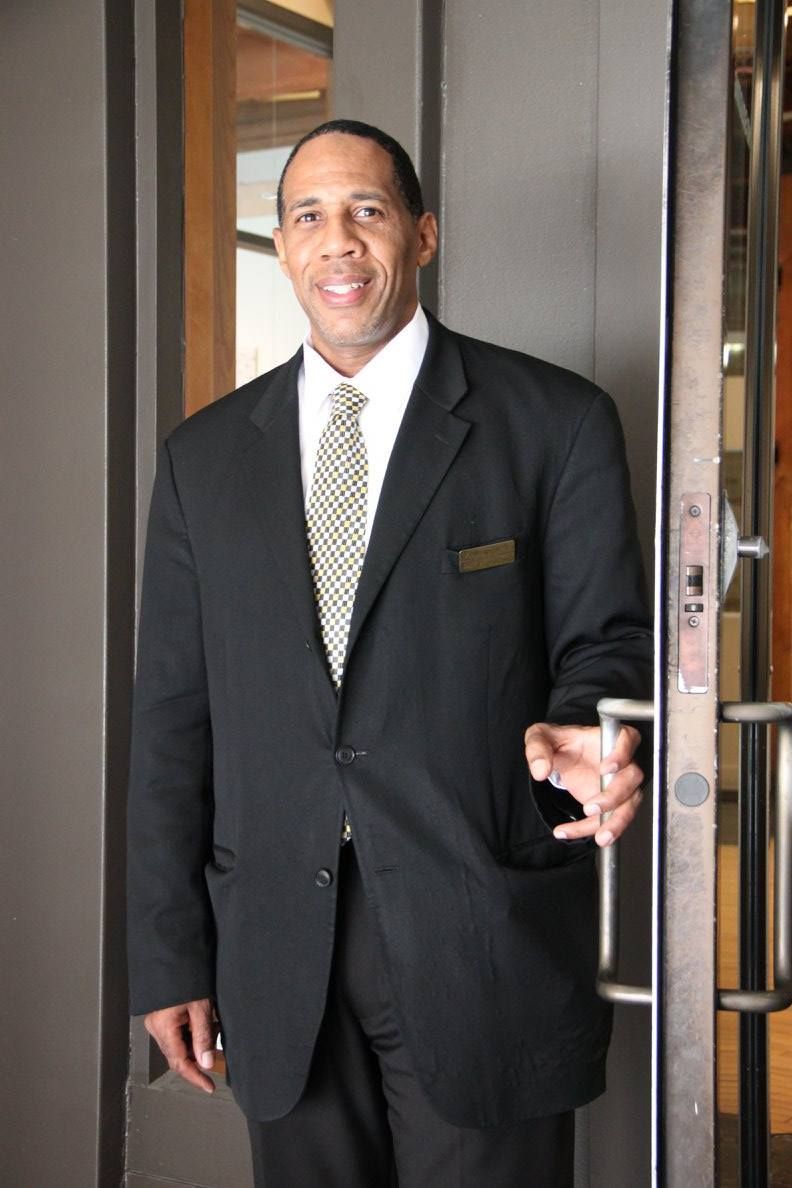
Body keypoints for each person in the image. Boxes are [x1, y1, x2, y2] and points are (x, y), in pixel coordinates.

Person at [127, 119, 652, 1187]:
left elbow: (607, 643)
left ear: (422, 234)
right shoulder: (201, 461)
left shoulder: (555, 421)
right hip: (276, 942)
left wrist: (587, 734)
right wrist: (169, 953)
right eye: (309, 216)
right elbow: (173, 719)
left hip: (483, 930)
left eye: (366, 210)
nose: (339, 241)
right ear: (283, 245)